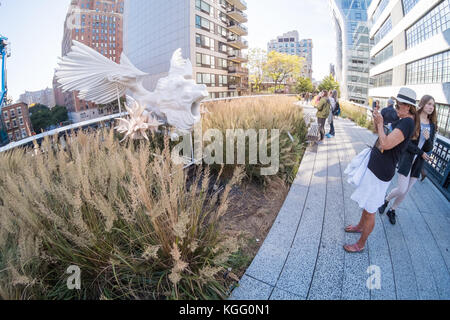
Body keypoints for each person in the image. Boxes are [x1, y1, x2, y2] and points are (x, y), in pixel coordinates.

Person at [343, 87, 418, 253]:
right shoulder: (401, 119)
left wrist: (380, 123)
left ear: (408, 107)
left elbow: (385, 144)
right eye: (396, 105)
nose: (396, 108)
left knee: (371, 210)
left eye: (398, 106)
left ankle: (360, 244)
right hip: (377, 166)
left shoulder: (407, 123)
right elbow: (383, 136)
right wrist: (378, 121)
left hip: (381, 171)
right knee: (367, 204)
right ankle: (360, 226)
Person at [378, 95, 437, 224]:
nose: (431, 107)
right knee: (401, 189)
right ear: (422, 104)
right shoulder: (413, 120)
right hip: (407, 158)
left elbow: (429, 147)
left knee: (406, 191)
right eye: (428, 104)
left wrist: (427, 139)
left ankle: (392, 210)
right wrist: (420, 152)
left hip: (418, 163)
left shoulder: (432, 126)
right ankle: (386, 200)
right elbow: (407, 143)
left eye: (433, 105)